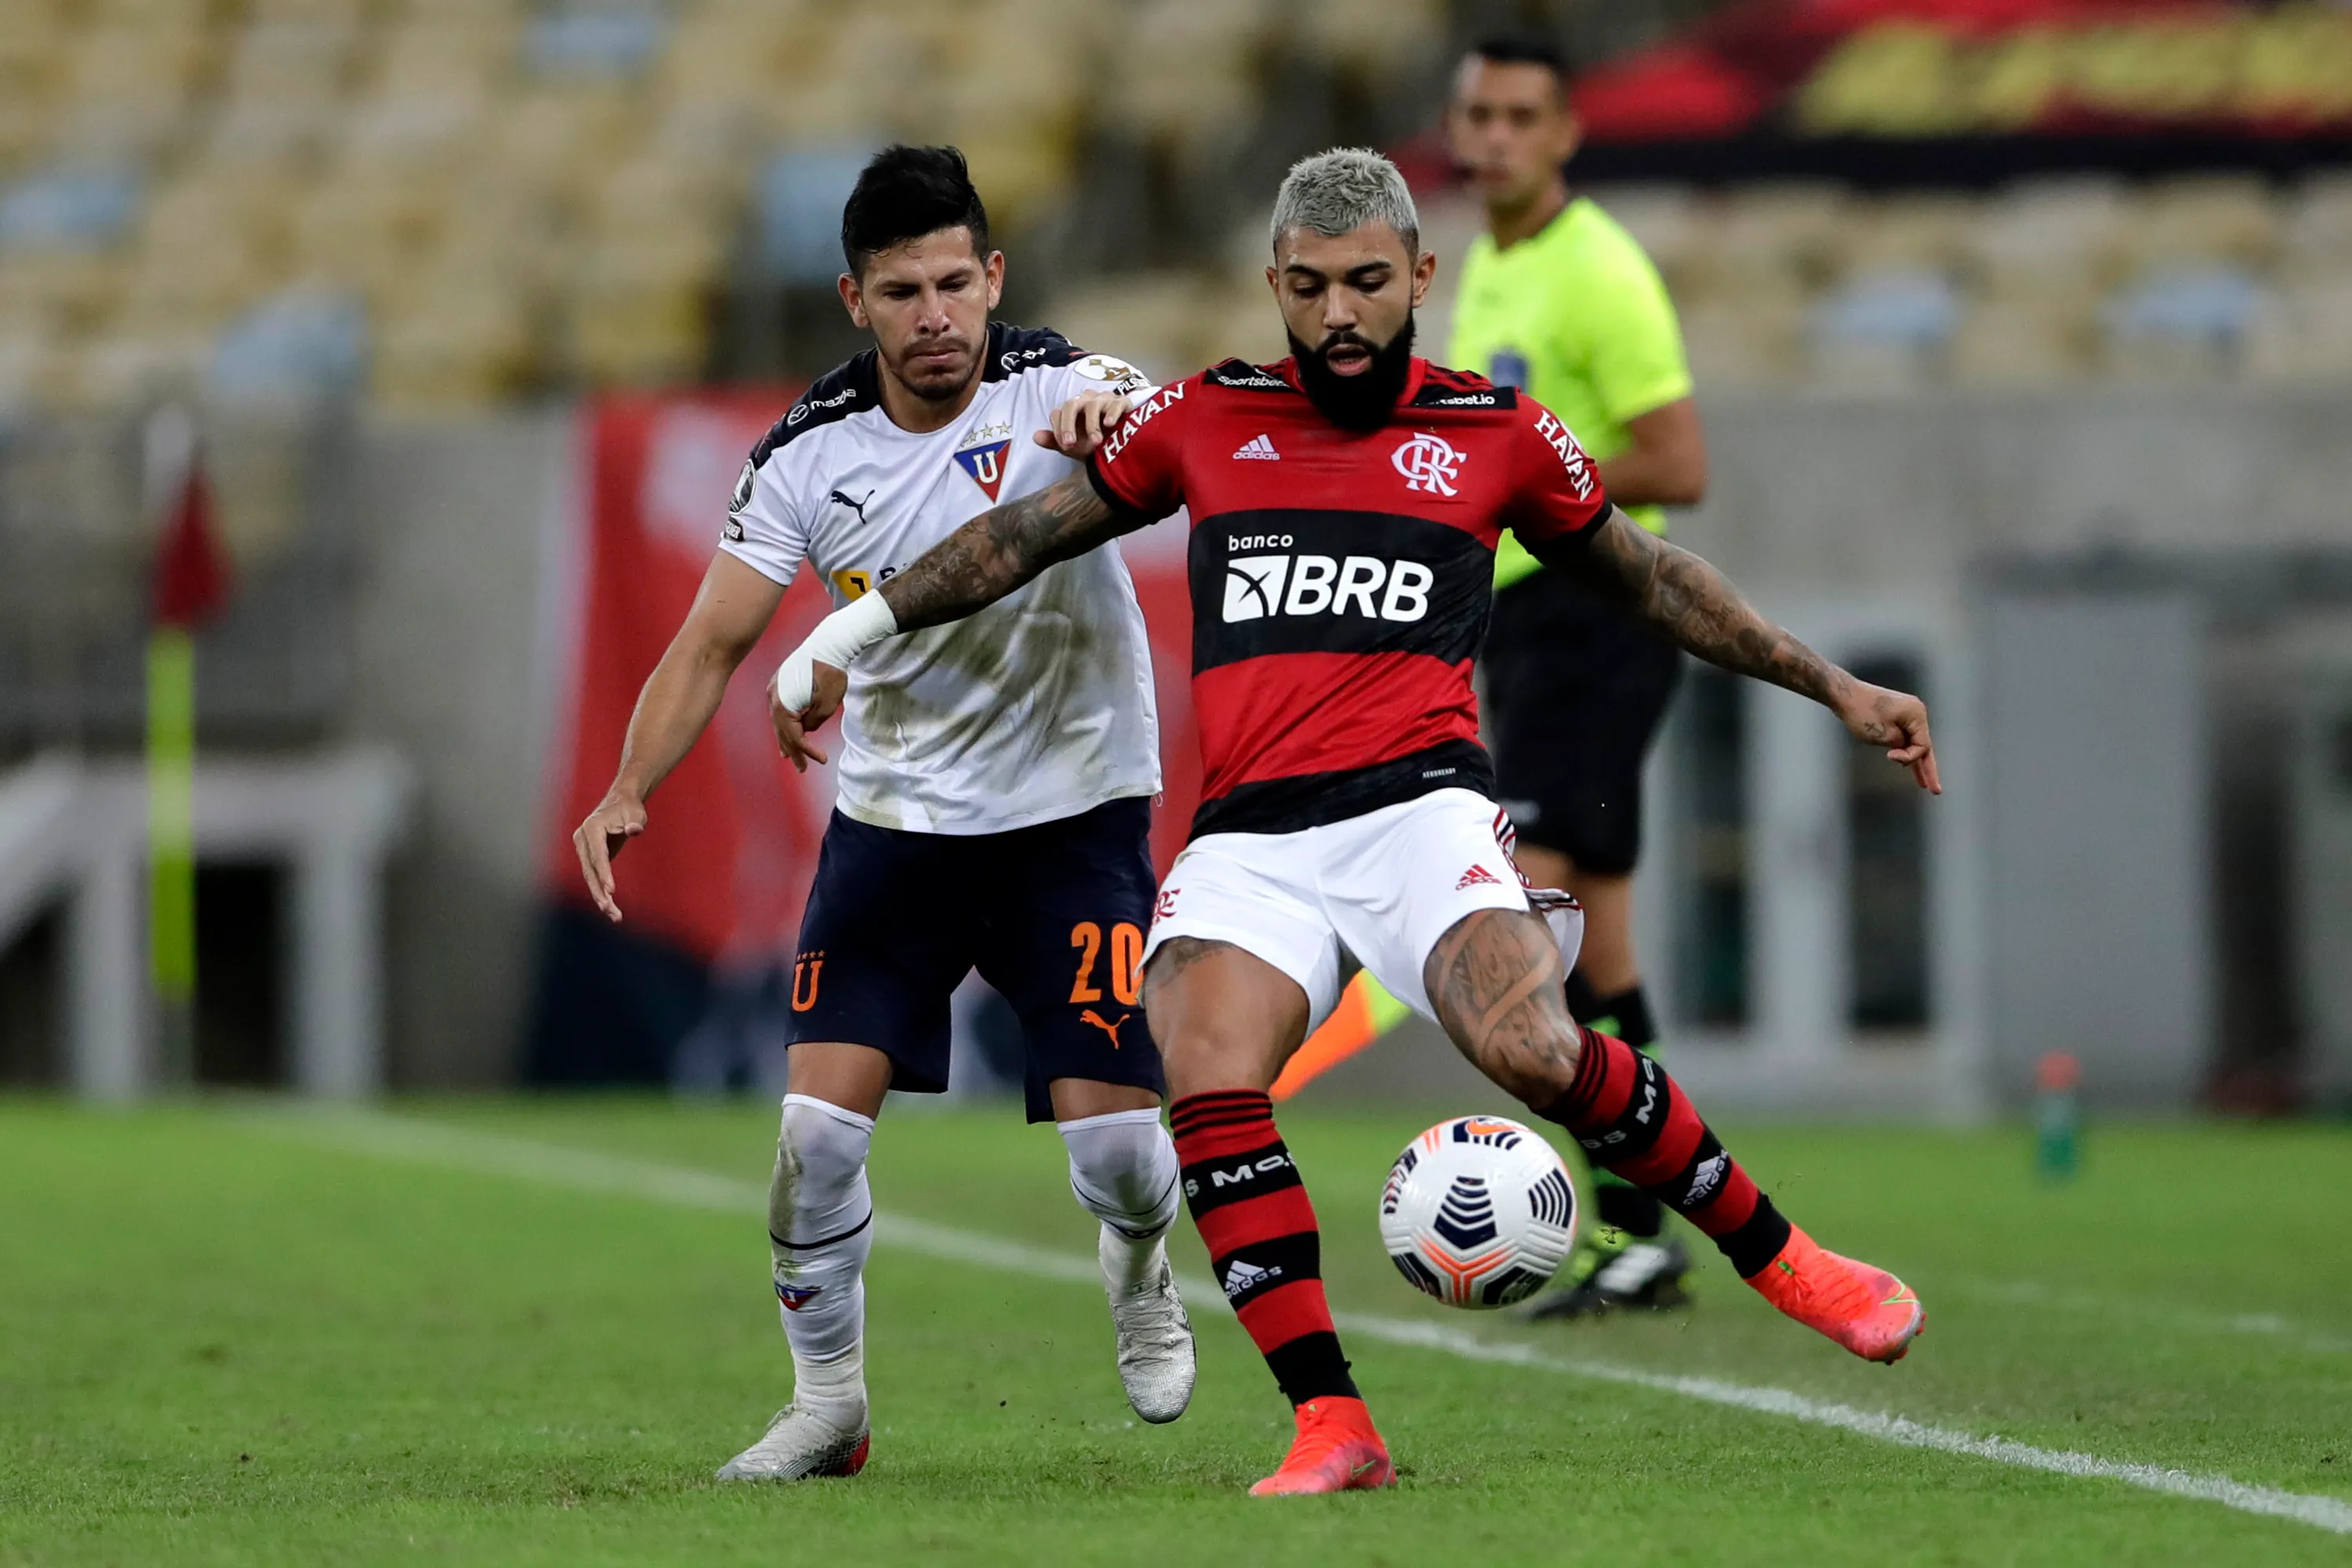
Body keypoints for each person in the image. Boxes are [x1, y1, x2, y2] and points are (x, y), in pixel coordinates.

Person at [770, 148, 1937, 1498]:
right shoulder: (1209, 420)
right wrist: (850, 630)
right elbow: (1022, 537)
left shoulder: (1496, 435)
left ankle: (1791, 1262)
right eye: (1312, 286)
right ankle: (1332, 1424)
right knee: (1202, 1067)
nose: (1339, 313)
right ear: (1275, 282)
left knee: (1538, 1047)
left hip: (1418, 815)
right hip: (1253, 838)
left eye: (1369, 283)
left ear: (1418, 281)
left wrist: (1834, 685)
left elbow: (1656, 578)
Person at [570, 145, 1196, 1483]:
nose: (935, 317)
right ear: (855, 299)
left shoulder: (1063, 386)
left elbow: (1145, 422)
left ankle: (1142, 1273)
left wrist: (1117, 423)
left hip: (1072, 813)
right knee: (810, 1142)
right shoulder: (806, 454)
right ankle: (829, 1402)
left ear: (995, 279)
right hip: (897, 824)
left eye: (955, 283)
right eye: (902, 290)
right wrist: (629, 786)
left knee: (1125, 1159)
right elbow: (708, 644)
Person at [1447, 35, 1711, 1316]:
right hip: (1535, 630)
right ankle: (1634, 1233)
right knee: (1592, 945)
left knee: (1528, 934)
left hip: (1601, 619)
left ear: (1565, 134)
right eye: (1477, 114)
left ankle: (1595, 1217)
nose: (1493, 136)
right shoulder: (1492, 269)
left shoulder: (1599, 271)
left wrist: (1544, 489)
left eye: (1519, 116)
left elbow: (1679, 458)